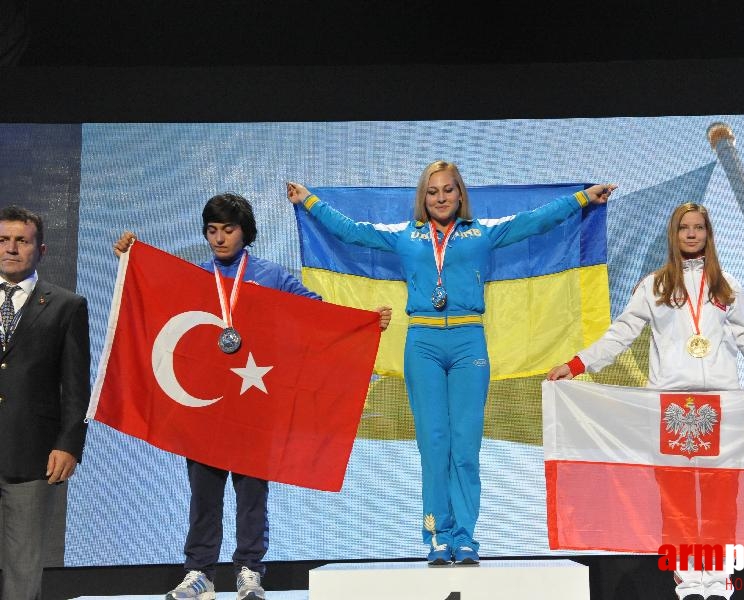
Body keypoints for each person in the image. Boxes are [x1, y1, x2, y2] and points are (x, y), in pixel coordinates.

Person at [287, 161, 617, 565]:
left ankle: (465, 538)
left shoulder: (483, 233)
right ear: (422, 198)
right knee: (434, 445)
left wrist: (582, 198)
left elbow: (535, 221)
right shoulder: (405, 236)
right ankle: (437, 536)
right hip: (422, 342)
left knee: (464, 447)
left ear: (460, 194)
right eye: (432, 191)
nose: (441, 198)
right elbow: (352, 232)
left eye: (448, 190)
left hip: (468, 343)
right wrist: (310, 201)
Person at [547, 201, 744, 600]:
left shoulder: (727, 285)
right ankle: (687, 578)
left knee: (721, 495)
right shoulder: (655, 285)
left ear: (708, 234)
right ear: (674, 233)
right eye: (685, 227)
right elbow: (621, 334)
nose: (692, 234)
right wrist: (577, 365)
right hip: (670, 406)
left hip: (721, 406)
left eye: (699, 227)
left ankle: (718, 578)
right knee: (676, 496)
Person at [113, 193, 391, 600]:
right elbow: (154, 295)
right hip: (206, 405)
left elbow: (317, 313)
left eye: (228, 230)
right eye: (212, 231)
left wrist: (364, 324)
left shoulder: (271, 276)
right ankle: (200, 573)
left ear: (246, 232)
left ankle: (249, 571)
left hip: (255, 403)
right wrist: (128, 259)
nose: (219, 239)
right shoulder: (194, 277)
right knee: (203, 495)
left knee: (251, 495)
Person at [0, 205, 90, 600]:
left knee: (23, 568)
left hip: (31, 453)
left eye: (22, 240)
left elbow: (75, 386)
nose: (12, 248)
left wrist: (69, 443)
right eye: (3, 240)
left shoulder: (66, 305)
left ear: (41, 250)